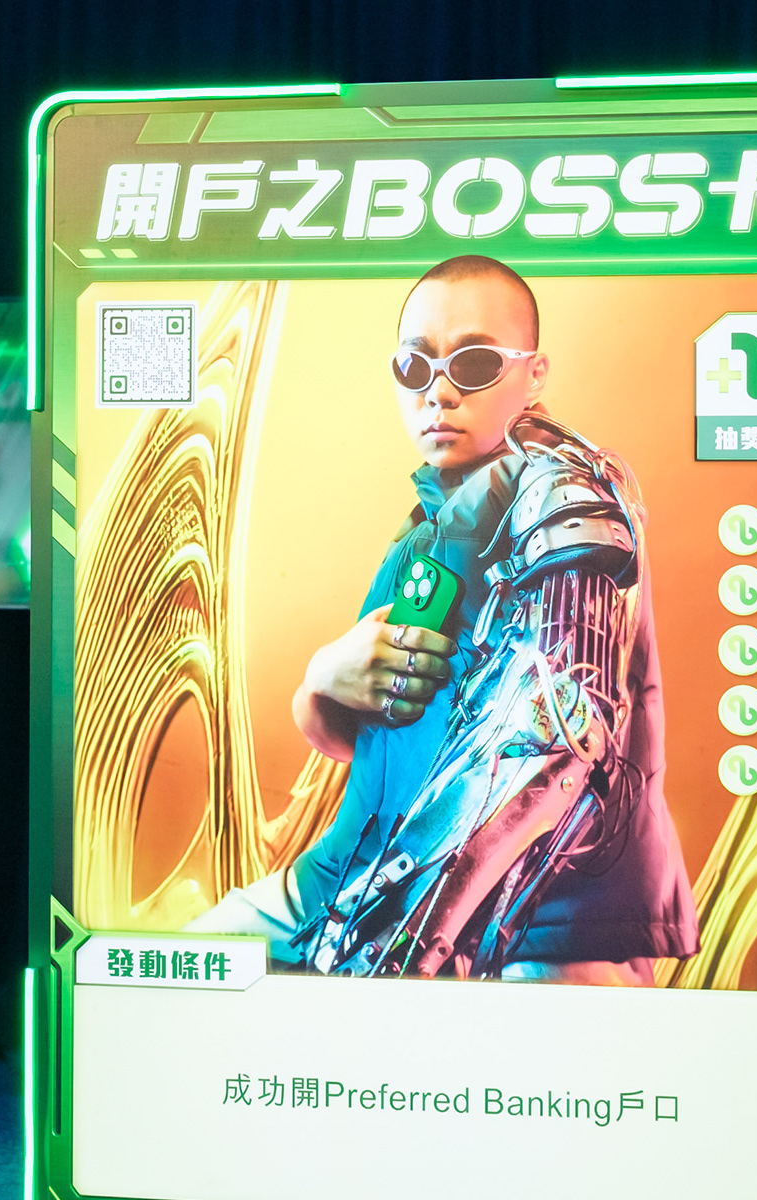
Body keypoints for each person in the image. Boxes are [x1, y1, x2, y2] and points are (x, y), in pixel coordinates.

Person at [194, 253, 699, 981]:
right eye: (415, 366)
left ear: (534, 374)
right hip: (344, 890)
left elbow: (558, 736)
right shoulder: (430, 521)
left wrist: (402, 943)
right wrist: (323, 679)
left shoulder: (566, 497)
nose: (439, 391)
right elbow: (360, 740)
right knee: (166, 971)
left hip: (535, 928)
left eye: (474, 362)